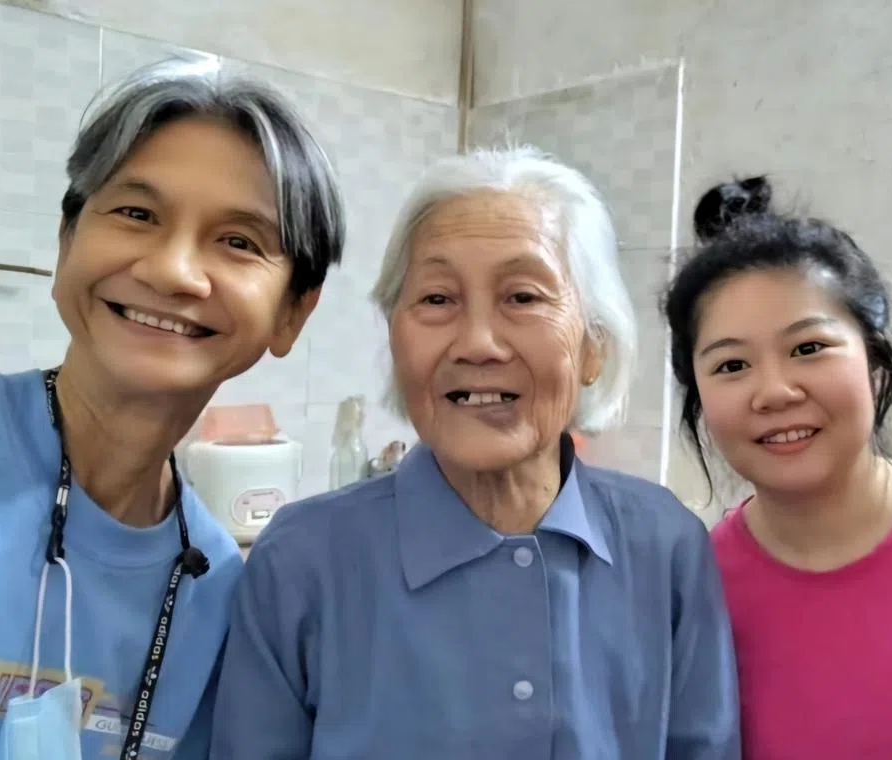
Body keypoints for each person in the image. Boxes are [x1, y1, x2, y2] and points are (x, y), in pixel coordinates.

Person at [211, 146, 741, 760]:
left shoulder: (667, 546)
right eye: (437, 299)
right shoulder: (302, 560)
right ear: (396, 337)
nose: (479, 343)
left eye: (523, 297)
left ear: (595, 344)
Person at [0, 57, 345, 760]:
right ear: (68, 240)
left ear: (293, 313)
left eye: (239, 242)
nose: (171, 270)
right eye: (137, 214)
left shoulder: (218, 592)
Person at [661, 175, 892, 759]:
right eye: (732, 365)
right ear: (700, 401)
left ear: (875, 365)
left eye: (809, 348)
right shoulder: (694, 597)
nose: (774, 392)